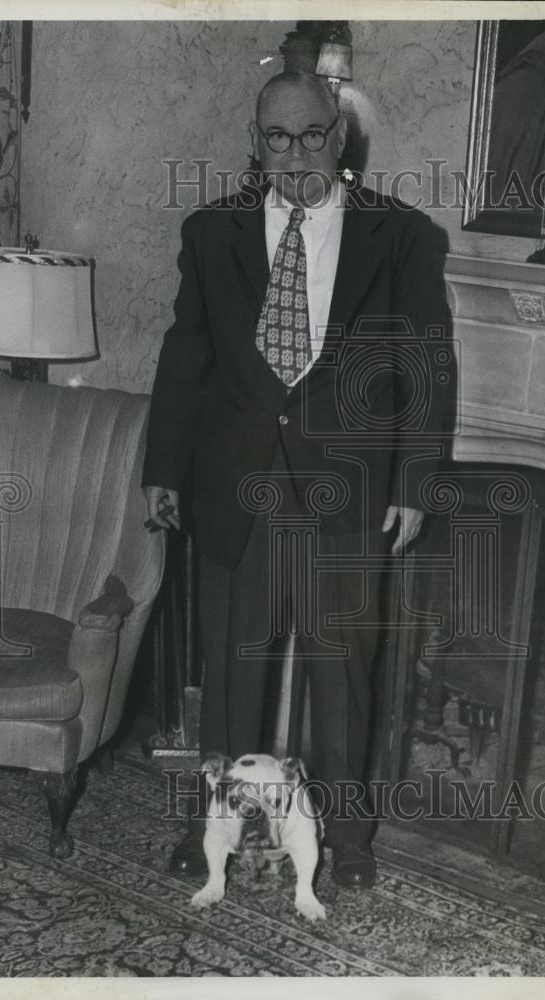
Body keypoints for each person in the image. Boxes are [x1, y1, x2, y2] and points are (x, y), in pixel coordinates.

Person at [142, 71, 451, 888]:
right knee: (231, 677)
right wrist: (163, 469)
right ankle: (212, 829)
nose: (294, 153)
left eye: (311, 134)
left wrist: (414, 482)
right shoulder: (213, 232)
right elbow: (187, 356)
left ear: (338, 136)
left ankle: (349, 843)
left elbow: (427, 368)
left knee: (343, 675)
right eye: (276, 138)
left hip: (347, 492)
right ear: (257, 142)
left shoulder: (402, 236)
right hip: (236, 485)